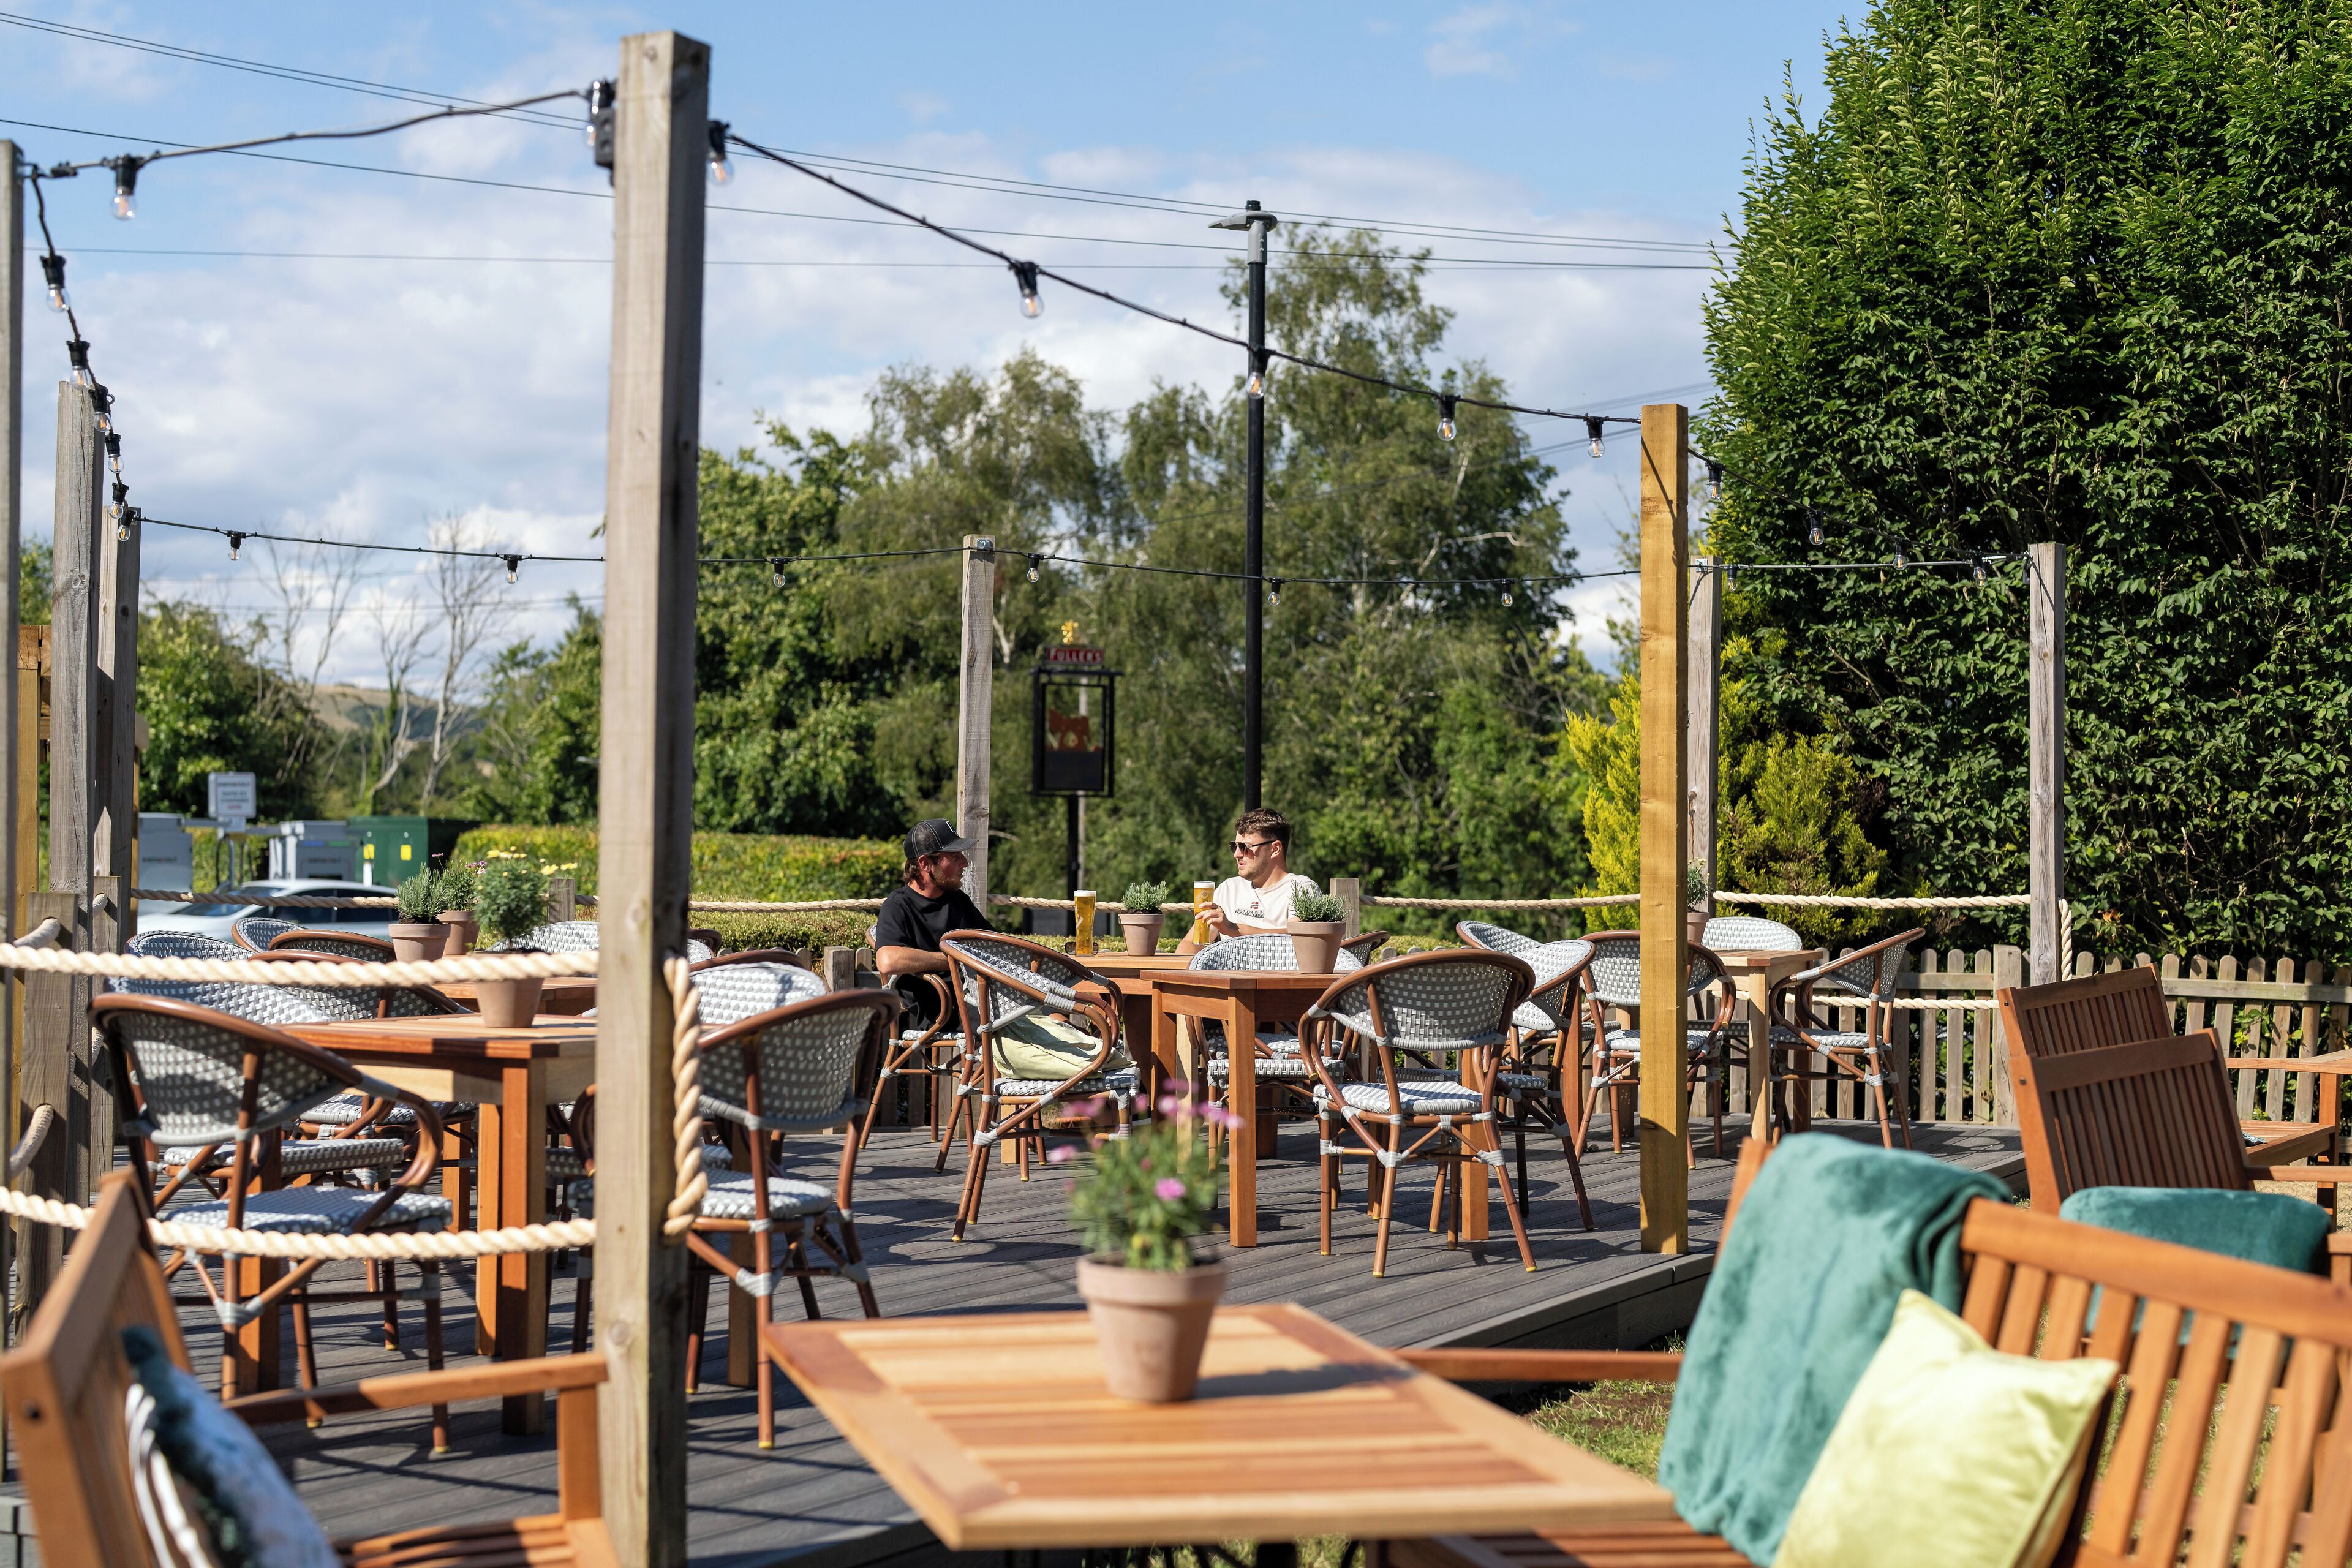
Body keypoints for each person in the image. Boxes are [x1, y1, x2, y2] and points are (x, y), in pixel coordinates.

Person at [875, 818, 1125, 1082]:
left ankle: (1096, 1067)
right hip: (949, 1009)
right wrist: (954, 960)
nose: (965, 863)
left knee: (1059, 1017)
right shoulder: (899, 905)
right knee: (1035, 1032)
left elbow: (997, 949)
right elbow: (888, 960)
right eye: (955, 857)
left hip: (991, 998)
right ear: (926, 864)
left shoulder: (958, 901)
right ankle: (1095, 1068)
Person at [1207, 807, 1320, 936]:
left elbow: (1301, 936)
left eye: (1245, 847)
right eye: (1235, 846)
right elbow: (1194, 942)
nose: (1237, 854)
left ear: (1275, 849)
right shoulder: (1228, 888)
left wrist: (1233, 929)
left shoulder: (1302, 889)